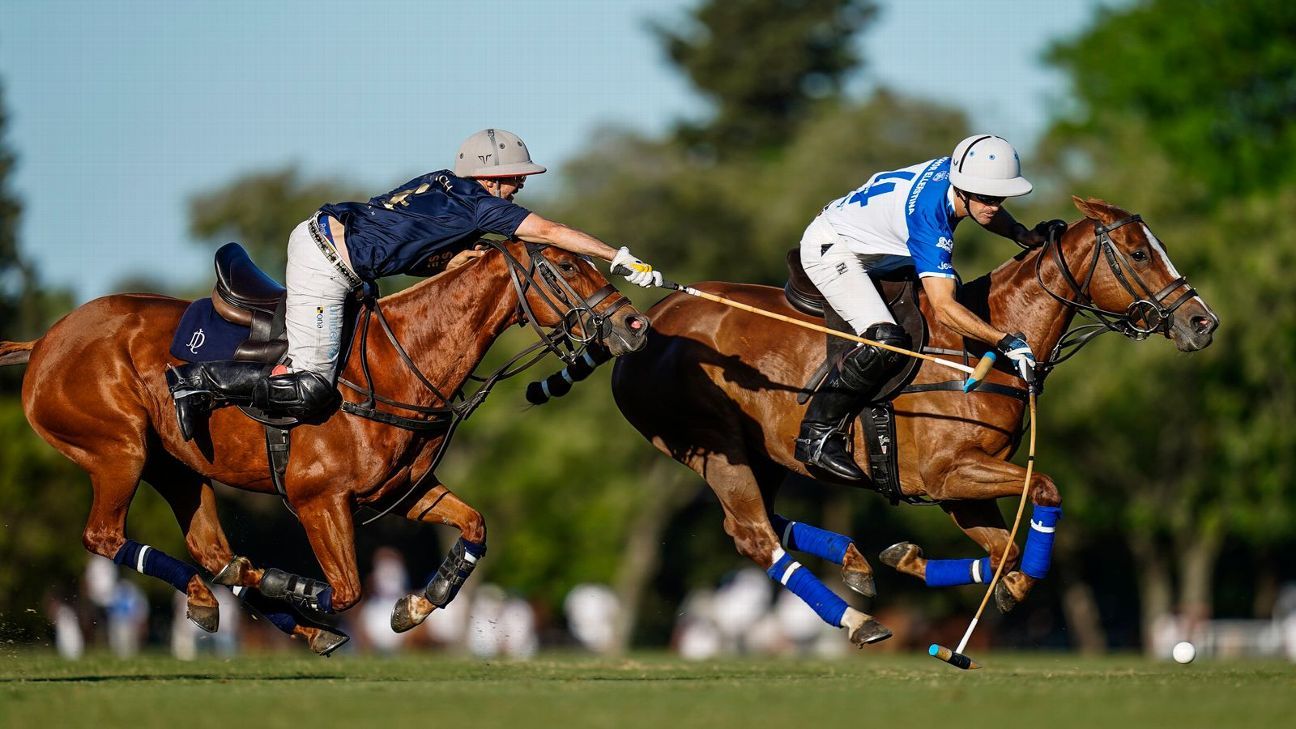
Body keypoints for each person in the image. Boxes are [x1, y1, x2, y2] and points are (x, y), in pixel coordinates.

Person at [167, 129, 662, 440]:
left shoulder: (443, 182)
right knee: (315, 385)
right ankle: (195, 382)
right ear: (489, 179)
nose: (519, 188)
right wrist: (618, 257)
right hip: (326, 261)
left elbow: (399, 241)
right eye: (514, 179)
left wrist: (445, 260)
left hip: (332, 243)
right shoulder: (480, 204)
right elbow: (551, 233)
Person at [794, 134, 1056, 481]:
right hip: (833, 249)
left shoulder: (959, 173)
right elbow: (944, 307)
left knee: (956, 287)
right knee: (887, 339)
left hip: (876, 241)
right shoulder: (929, 218)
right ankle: (816, 435)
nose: (993, 205)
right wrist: (1002, 340)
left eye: (1000, 197)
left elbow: (986, 210)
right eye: (985, 197)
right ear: (962, 189)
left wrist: (1022, 234)